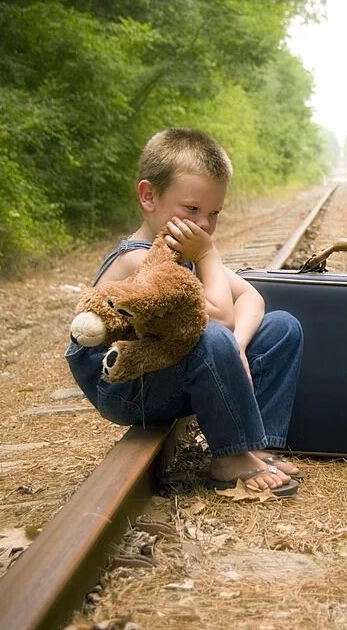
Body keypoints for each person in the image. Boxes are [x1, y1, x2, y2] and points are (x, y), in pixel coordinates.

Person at [65, 128, 303, 498]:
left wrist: (237, 348)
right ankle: (229, 458)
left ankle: (256, 444)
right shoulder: (138, 259)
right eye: (192, 209)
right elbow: (219, 319)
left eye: (214, 212)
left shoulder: (183, 246)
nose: (204, 224)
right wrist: (209, 256)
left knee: (282, 327)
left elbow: (252, 299)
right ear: (149, 196)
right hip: (127, 386)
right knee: (213, 334)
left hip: (167, 371)